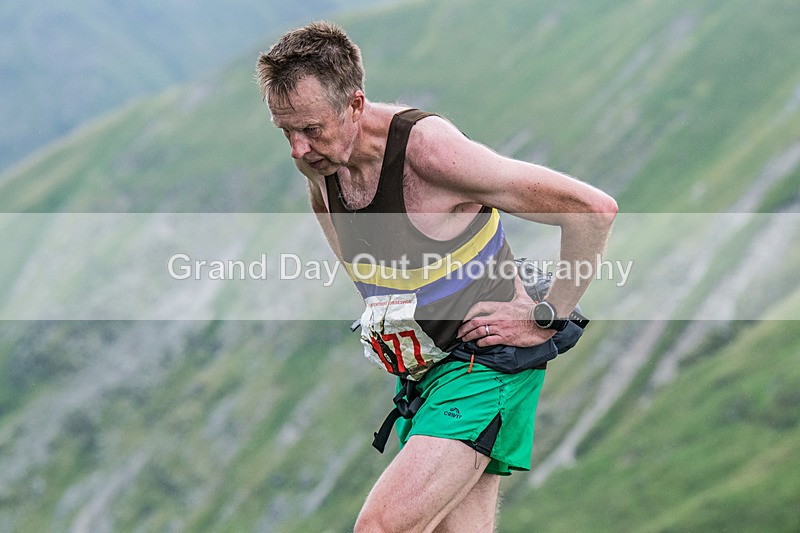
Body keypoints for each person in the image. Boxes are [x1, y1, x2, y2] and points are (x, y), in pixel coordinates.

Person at [257, 21, 617, 532]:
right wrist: (385, 312)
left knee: (380, 528)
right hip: (429, 373)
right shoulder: (320, 161)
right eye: (285, 131)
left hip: (485, 364)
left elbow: (593, 210)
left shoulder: (431, 154)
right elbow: (331, 215)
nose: (297, 148)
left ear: (355, 105)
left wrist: (546, 318)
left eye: (311, 129)